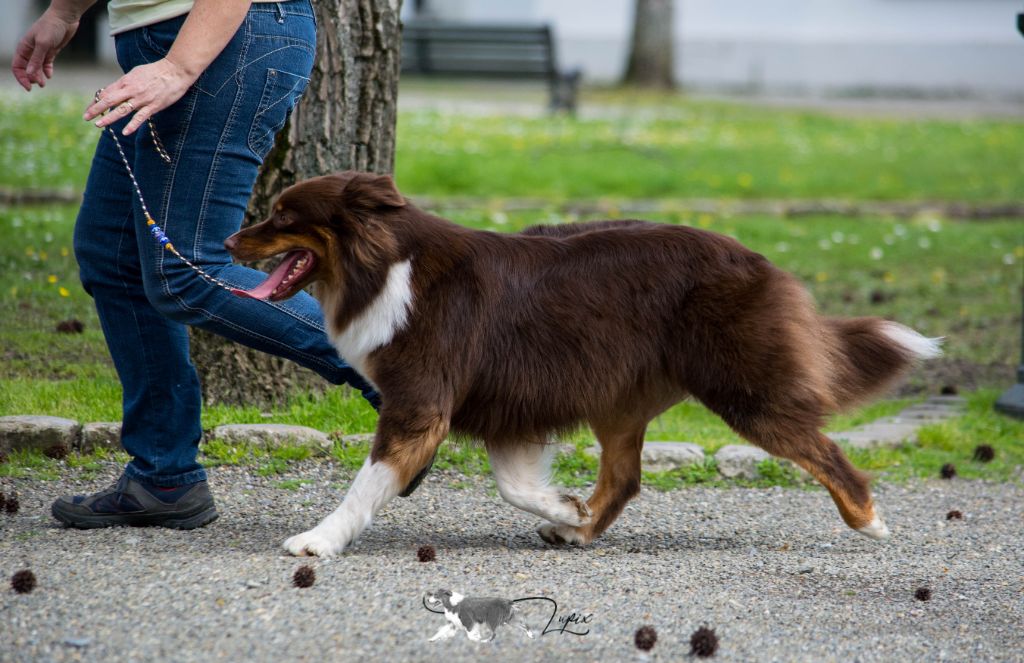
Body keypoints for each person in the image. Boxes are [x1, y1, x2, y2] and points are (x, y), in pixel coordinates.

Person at [12, 0, 379, 530]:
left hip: (222, 41)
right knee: (112, 257)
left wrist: (179, 66)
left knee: (186, 271)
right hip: (172, 48)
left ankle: (396, 366)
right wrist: (65, 12)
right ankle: (164, 476)